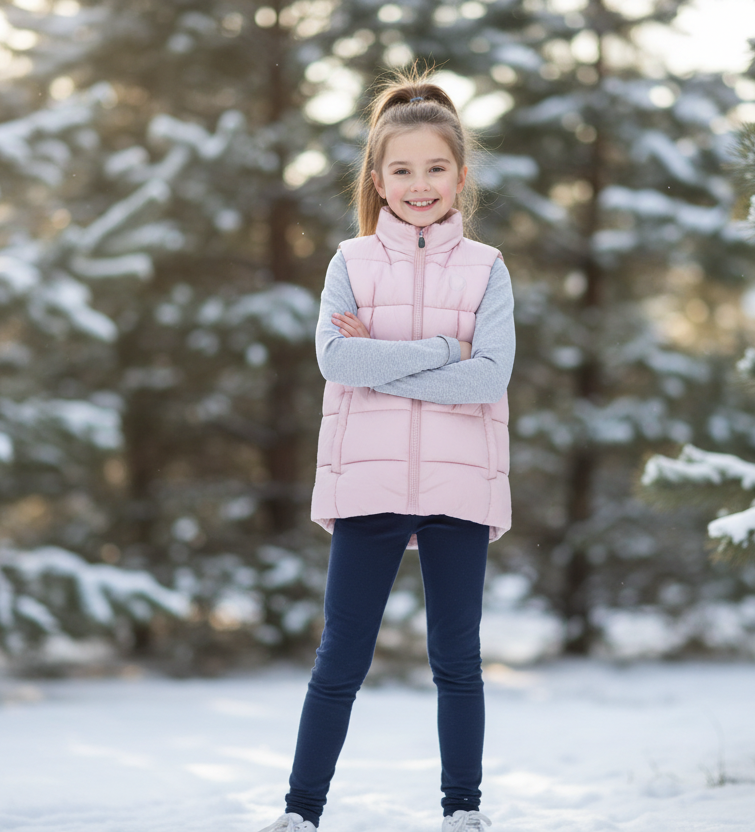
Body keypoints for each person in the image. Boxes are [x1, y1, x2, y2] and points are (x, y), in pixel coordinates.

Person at [254, 67, 514, 832]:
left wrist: (390, 363)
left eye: (436, 168)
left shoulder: (488, 268)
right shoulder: (350, 263)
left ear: (461, 177)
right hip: (366, 485)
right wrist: (442, 347)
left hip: (460, 485)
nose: (419, 183)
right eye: (401, 170)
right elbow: (338, 362)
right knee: (340, 663)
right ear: (378, 178)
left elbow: (490, 376)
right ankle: (301, 815)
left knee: (456, 664)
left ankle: (462, 812)